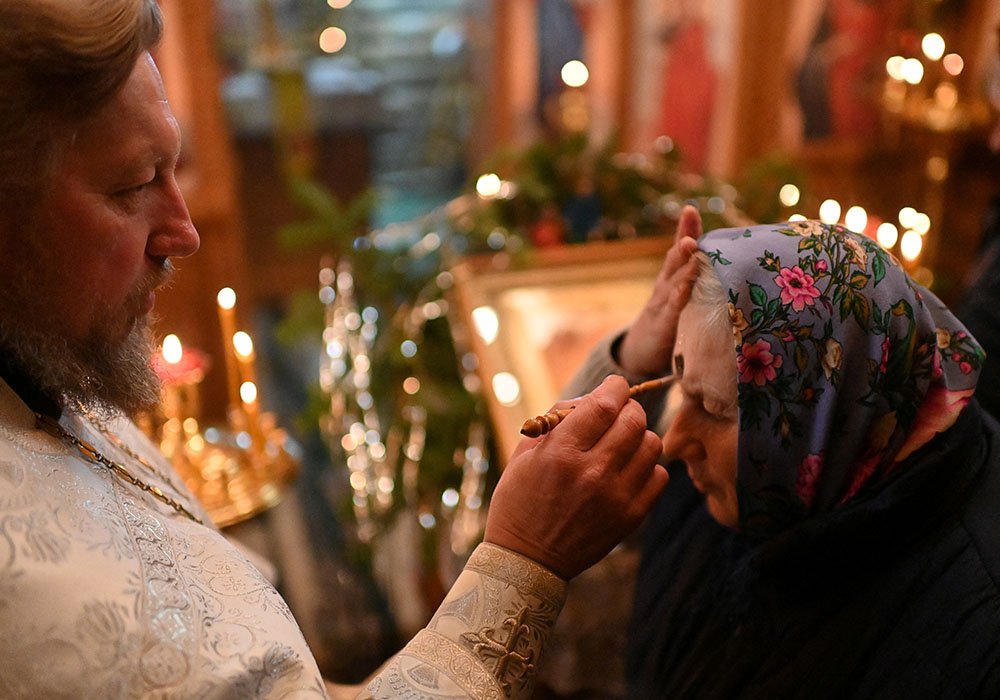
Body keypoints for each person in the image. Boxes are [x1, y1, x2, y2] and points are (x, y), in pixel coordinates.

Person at [0, 2, 667, 698]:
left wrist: (621, 360)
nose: (184, 231)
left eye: (175, 168)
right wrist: (524, 562)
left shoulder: (52, 375)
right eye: (135, 185)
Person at [567, 206, 1000, 698]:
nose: (674, 441)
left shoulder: (970, 638)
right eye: (680, 384)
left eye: (712, 407)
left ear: (826, 414)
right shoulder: (743, 483)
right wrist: (633, 355)